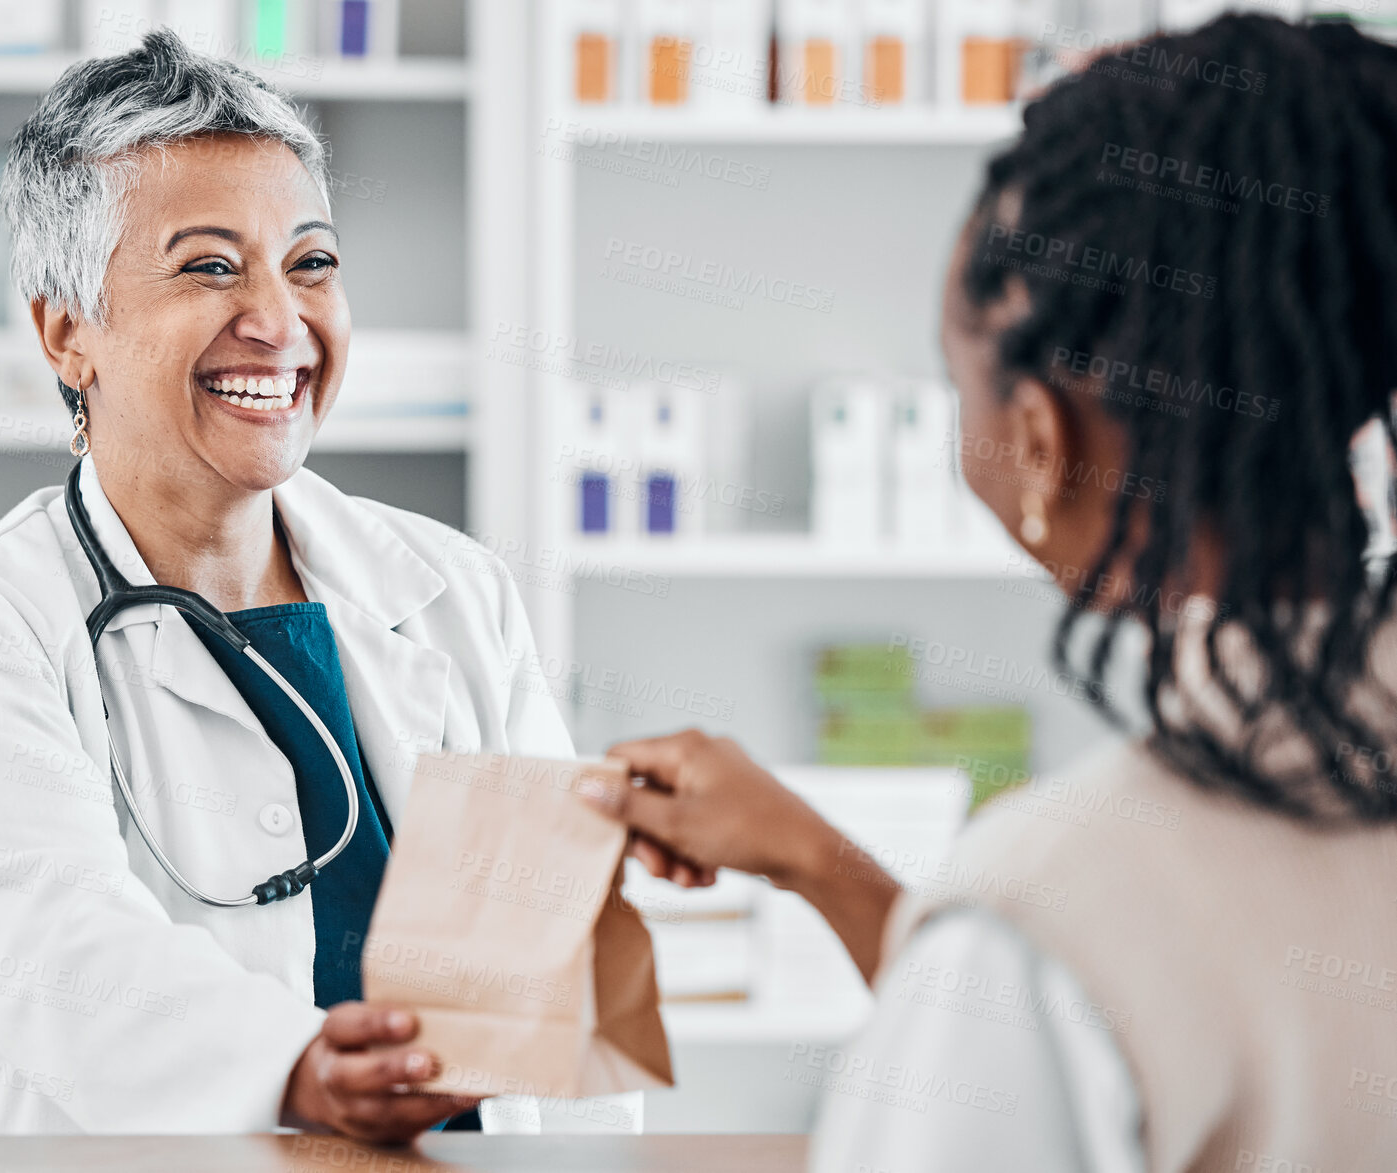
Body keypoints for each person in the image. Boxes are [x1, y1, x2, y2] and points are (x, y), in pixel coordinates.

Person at [585, 15, 1397, 1172]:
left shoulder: (1057, 911)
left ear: (1037, 435)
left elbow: (1068, 991)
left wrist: (980, 927)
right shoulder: (1067, 918)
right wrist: (827, 865)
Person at [0, 30, 629, 1140]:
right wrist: (298, 1072)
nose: (278, 322)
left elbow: (560, 987)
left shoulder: (453, 592)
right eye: (209, 266)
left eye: (309, 262)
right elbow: (53, 947)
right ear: (65, 329)